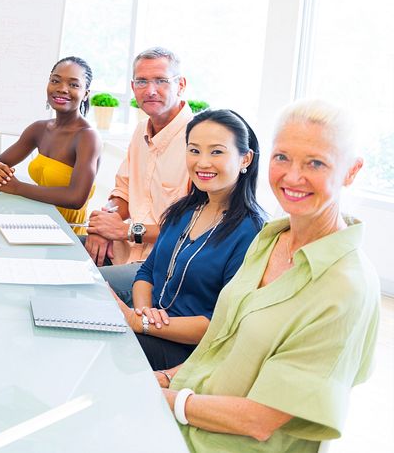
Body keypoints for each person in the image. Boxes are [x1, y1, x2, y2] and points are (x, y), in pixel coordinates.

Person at [157, 100, 379, 453]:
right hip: (184, 416)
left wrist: (166, 400)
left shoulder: (345, 288)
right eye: (282, 158)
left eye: (316, 163)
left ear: (351, 171)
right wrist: (164, 379)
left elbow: (258, 420)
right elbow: (219, 350)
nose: (292, 176)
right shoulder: (270, 239)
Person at [113, 109, 266, 370]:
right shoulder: (183, 210)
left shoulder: (252, 231)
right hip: (151, 325)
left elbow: (222, 324)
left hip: (189, 353)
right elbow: (147, 271)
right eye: (194, 150)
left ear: (245, 159)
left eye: (216, 152)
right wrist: (142, 312)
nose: (202, 162)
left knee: (106, 348)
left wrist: (140, 323)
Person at [87, 47, 193, 302]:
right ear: (133, 87)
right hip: (126, 251)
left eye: (161, 81)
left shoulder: (198, 140)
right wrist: (106, 220)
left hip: (163, 267)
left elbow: (190, 229)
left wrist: (125, 231)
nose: (150, 90)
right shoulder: (139, 131)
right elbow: (122, 191)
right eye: (142, 82)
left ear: (180, 84)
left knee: (82, 284)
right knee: (61, 254)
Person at [0, 56, 101, 233]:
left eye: (74, 84)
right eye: (55, 81)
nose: (62, 89)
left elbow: (76, 198)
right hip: (39, 222)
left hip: (67, 232)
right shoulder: (39, 129)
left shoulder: (87, 137)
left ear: (86, 94)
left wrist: (17, 187)